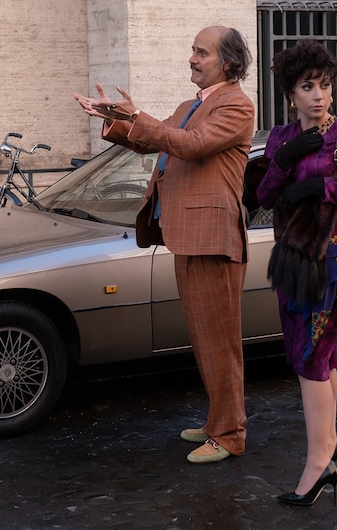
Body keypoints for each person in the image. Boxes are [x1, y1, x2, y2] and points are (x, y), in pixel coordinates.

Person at [74, 26, 255, 464]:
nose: (191, 58)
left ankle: (230, 434)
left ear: (227, 63)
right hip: (187, 235)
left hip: (213, 237)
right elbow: (151, 139)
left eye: (201, 52)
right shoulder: (190, 104)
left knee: (220, 340)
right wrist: (113, 117)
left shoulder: (236, 104)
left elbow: (190, 146)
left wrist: (138, 118)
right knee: (204, 337)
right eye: (191, 49)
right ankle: (217, 421)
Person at [256, 39, 337, 506]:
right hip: (291, 259)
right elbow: (266, 197)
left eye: (325, 85)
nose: (318, 95)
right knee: (314, 355)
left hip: (332, 259)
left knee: (313, 355)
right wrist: (288, 161)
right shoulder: (278, 137)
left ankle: (317, 464)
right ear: (291, 93)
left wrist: (319, 185)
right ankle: (329, 449)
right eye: (307, 86)